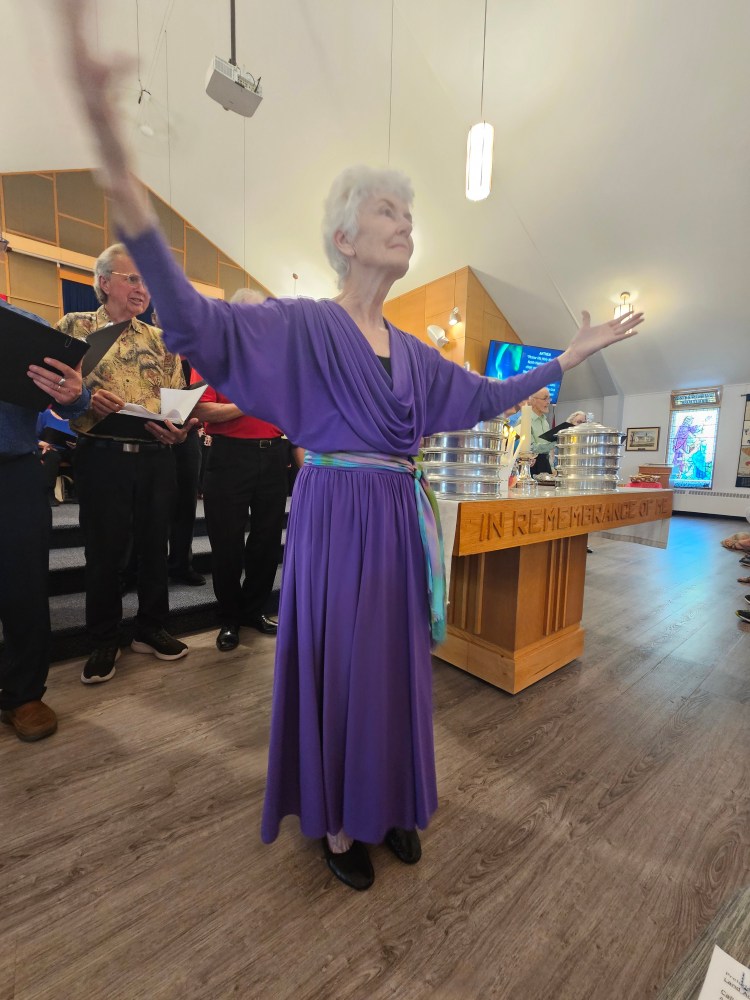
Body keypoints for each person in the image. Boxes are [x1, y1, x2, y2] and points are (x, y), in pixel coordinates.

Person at [60, 0, 644, 889]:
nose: (405, 222)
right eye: (386, 210)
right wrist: (121, 171)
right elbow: (195, 319)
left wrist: (569, 357)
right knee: (344, 663)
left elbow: (487, 398)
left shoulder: (415, 353)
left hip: (398, 517)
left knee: (397, 666)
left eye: (408, 213)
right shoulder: (301, 325)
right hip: (336, 513)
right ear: (342, 238)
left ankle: (390, 799)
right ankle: (340, 822)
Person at [56, 243, 197, 685]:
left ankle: (151, 627)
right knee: (104, 552)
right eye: (132, 278)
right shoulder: (76, 326)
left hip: (156, 457)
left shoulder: (161, 339)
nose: (142, 288)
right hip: (102, 456)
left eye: (147, 281)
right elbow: (53, 390)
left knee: (155, 546)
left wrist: (178, 431)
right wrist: (84, 398)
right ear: (104, 282)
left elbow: (176, 402)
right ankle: (103, 639)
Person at [0, 297, 90, 741]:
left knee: (24, 585)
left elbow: (73, 401)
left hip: (12, 470)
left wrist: (75, 396)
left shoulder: (25, 325)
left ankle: (24, 694)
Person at [192, 288, 288, 653]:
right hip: (229, 457)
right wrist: (249, 403)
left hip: (273, 455)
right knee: (227, 543)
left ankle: (253, 610)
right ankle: (229, 617)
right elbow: (202, 411)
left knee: (267, 541)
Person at [529, 388, 555, 474]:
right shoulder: (525, 420)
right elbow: (531, 448)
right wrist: (555, 443)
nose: (548, 402)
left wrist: (551, 467)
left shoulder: (545, 421)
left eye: (549, 399)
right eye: (545, 398)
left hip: (546, 464)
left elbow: (548, 451)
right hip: (532, 465)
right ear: (533, 401)